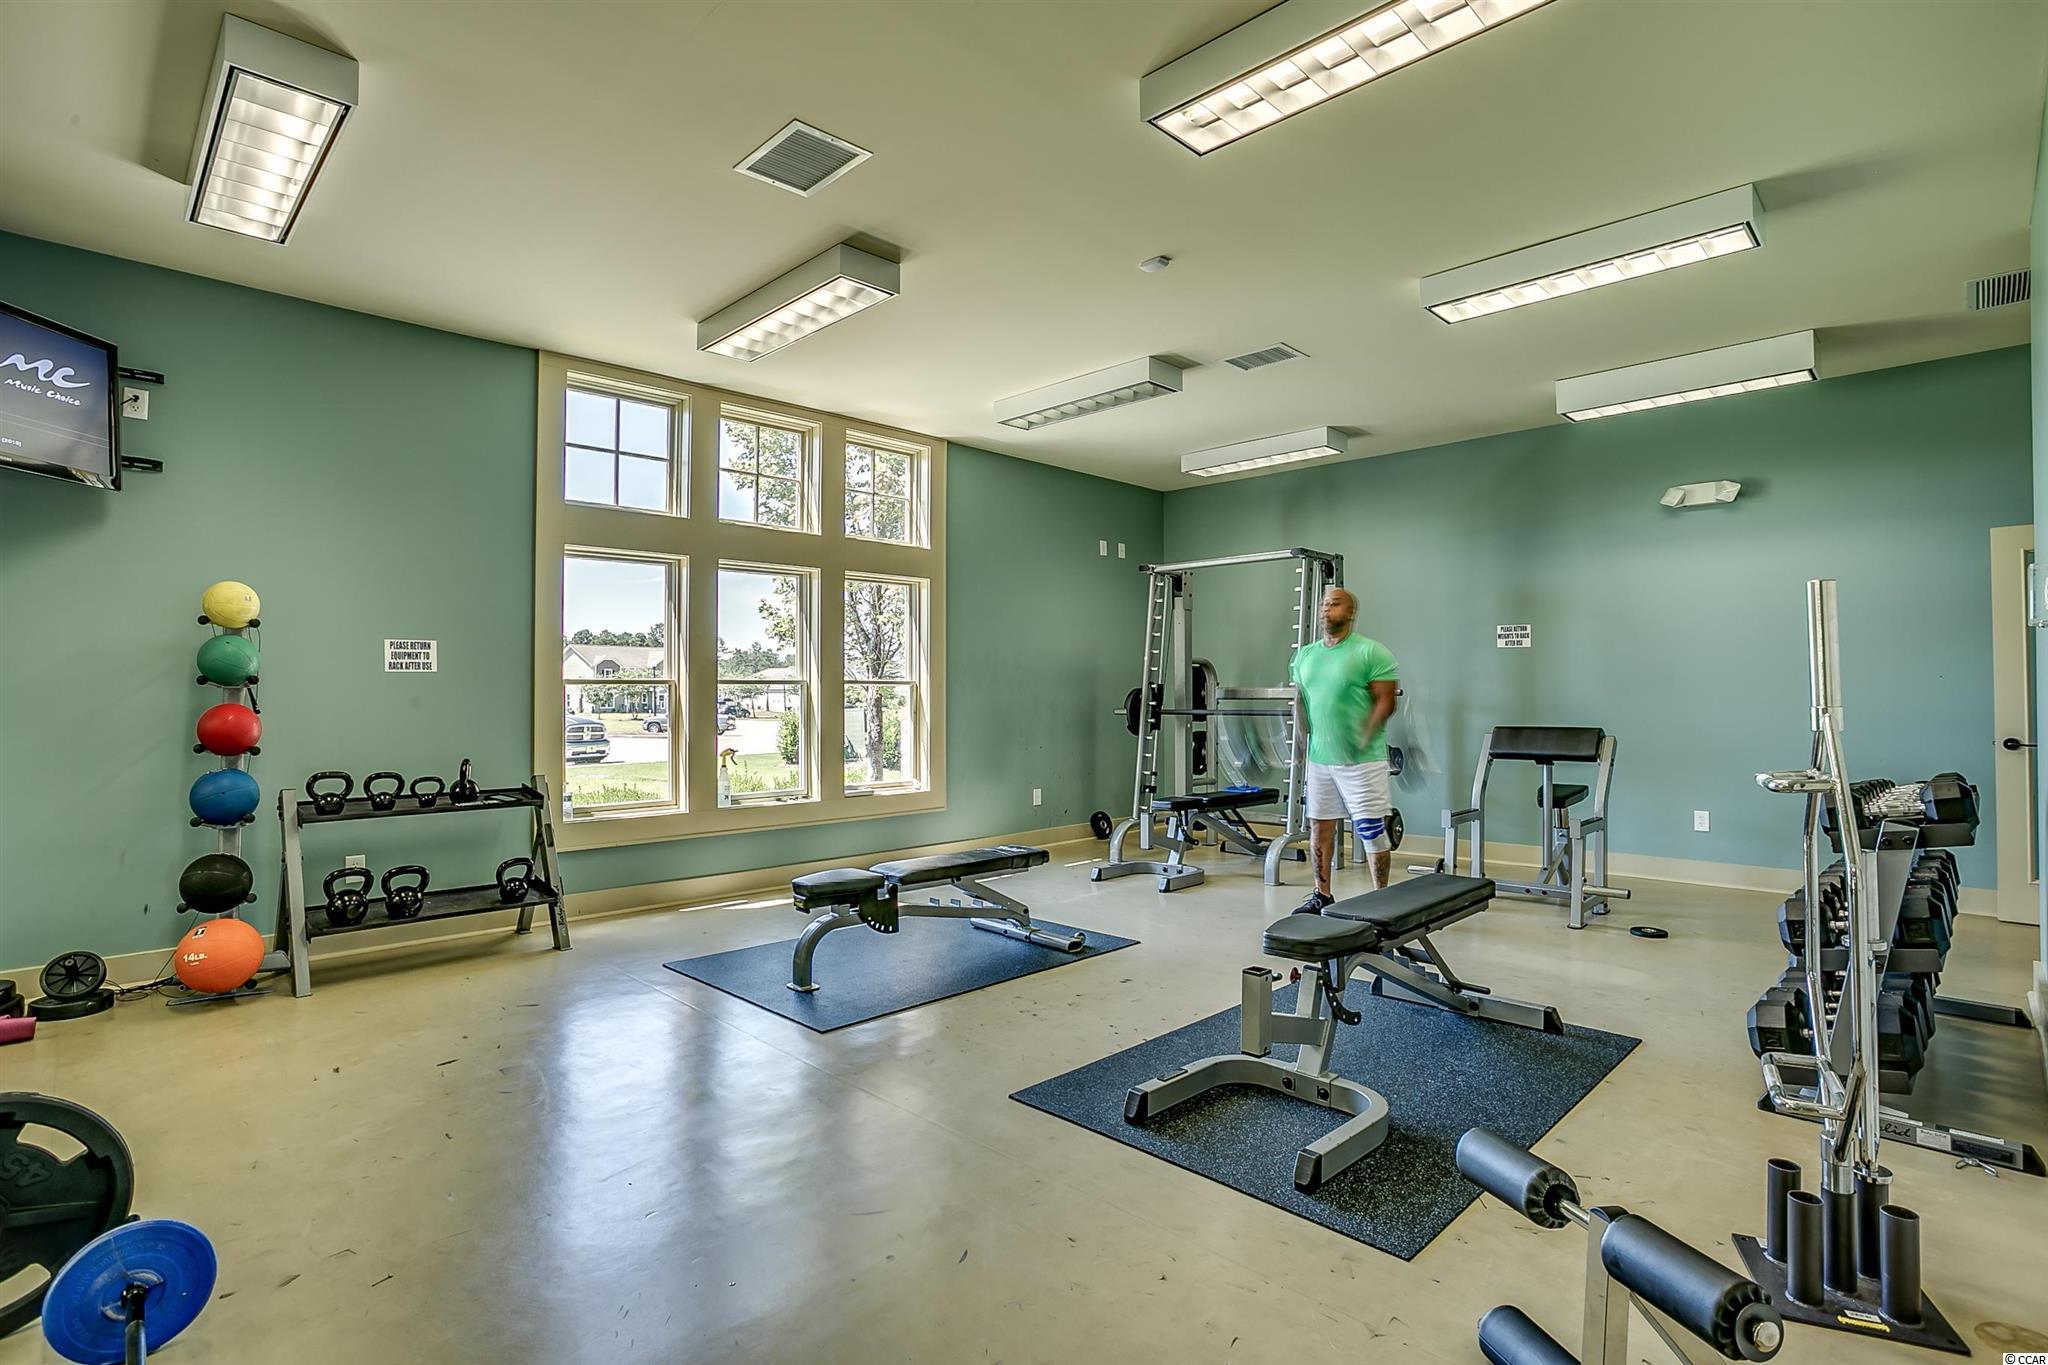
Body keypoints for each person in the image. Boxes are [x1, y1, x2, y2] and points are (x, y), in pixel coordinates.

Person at [1288, 585, 1399, 911]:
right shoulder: (1304, 656)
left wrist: (1363, 736)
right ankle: (1322, 895)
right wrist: (1301, 744)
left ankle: (1381, 901)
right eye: (1324, 604)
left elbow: (1386, 701)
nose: (1326, 609)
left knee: (1371, 831)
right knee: (1319, 828)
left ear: (1350, 612)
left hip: (1362, 761)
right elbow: (1303, 704)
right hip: (1320, 759)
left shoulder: (1371, 652)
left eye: (1334, 604)